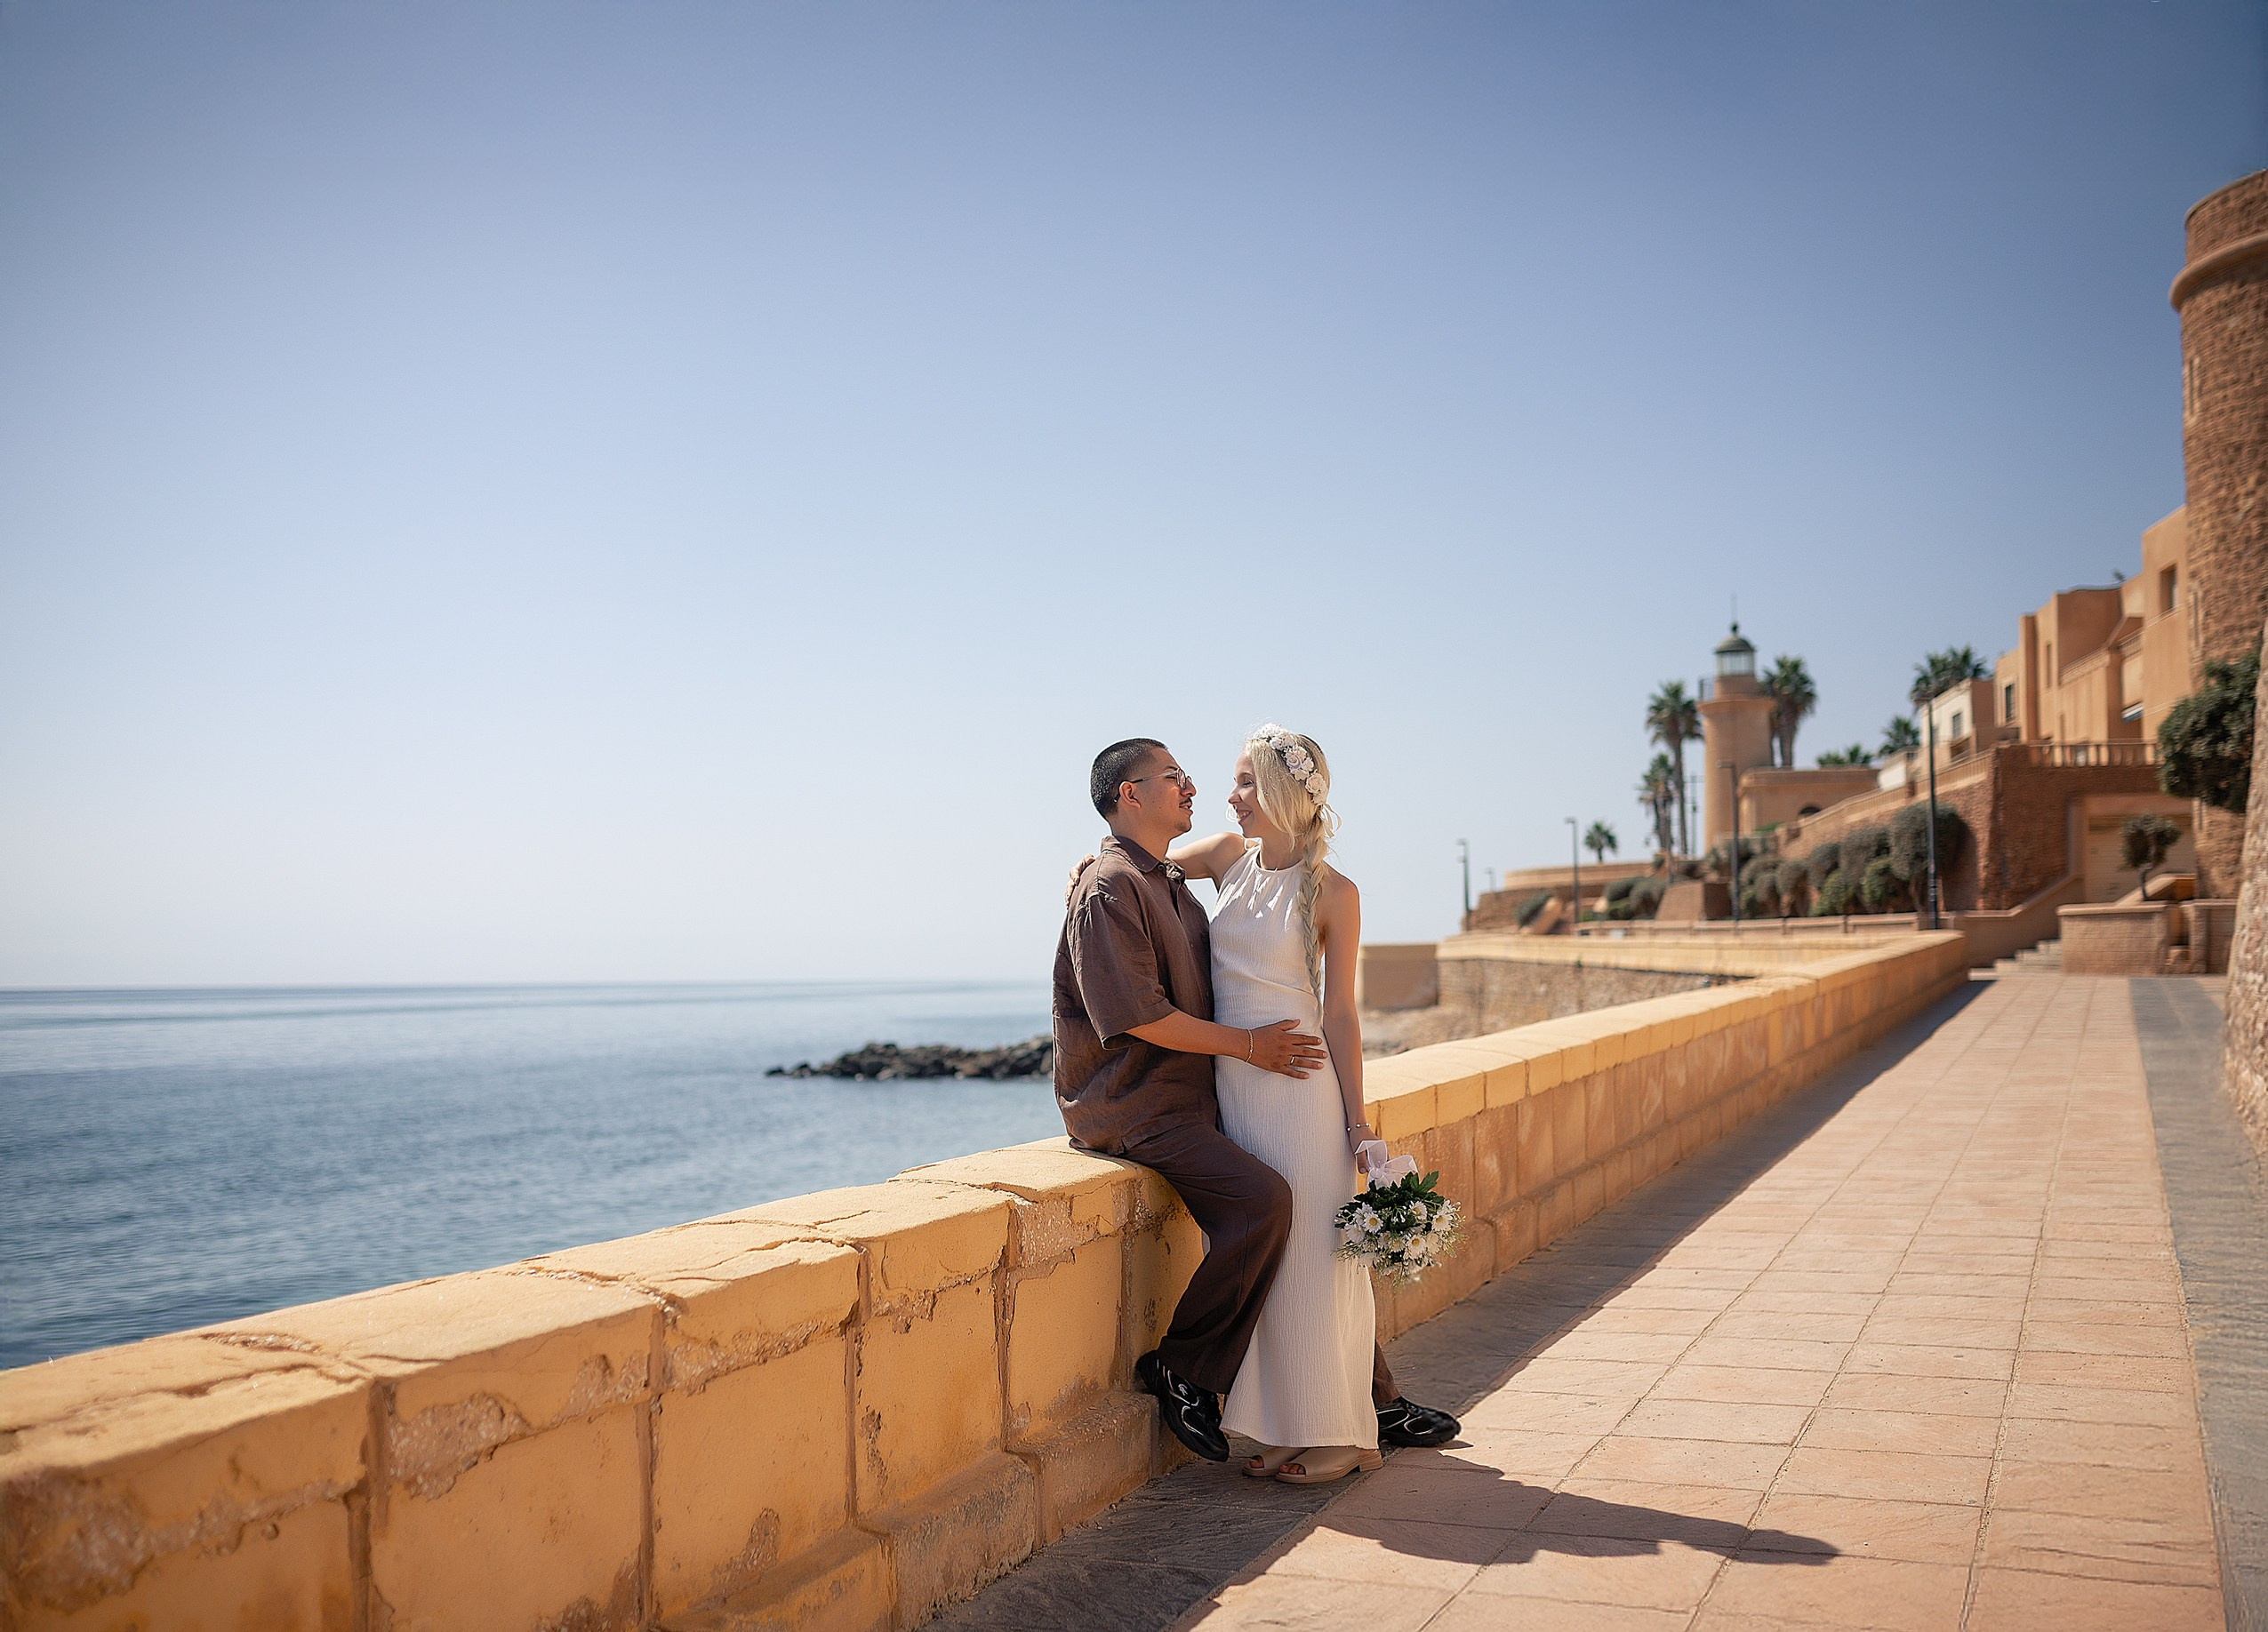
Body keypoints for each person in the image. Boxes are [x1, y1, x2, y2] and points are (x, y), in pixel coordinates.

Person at [1053, 736, 1459, 1475]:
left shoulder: (1336, 890)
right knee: (1277, 1243)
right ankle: (1296, 1421)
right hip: (1232, 1077)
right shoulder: (1223, 857)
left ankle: (1346, 1427)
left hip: (1295, 1078)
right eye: (1212, 781)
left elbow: (1341, 1015)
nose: (1221, 793)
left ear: (1280, 792)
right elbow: (1135, 865)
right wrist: (1092, 860)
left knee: (1315, 1252)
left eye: (1242, 783)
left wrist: (1356, 1124)